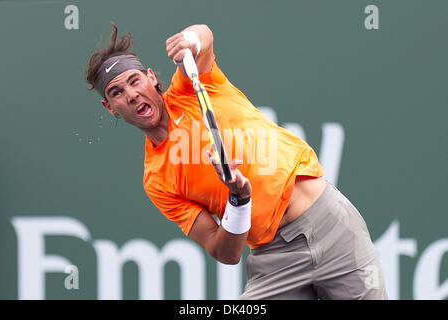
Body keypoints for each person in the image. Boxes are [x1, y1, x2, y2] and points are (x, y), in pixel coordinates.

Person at [85, 22, 388, 300]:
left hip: (330, 225)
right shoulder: (156, 180)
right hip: (274, 260)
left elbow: (204, 36)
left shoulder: (191, 87)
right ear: (109, 107)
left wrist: (189, 40)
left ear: (151, 77)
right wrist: (239, 200)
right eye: (117, 92)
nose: (132, 94)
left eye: (135, 81)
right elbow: (223, 251)